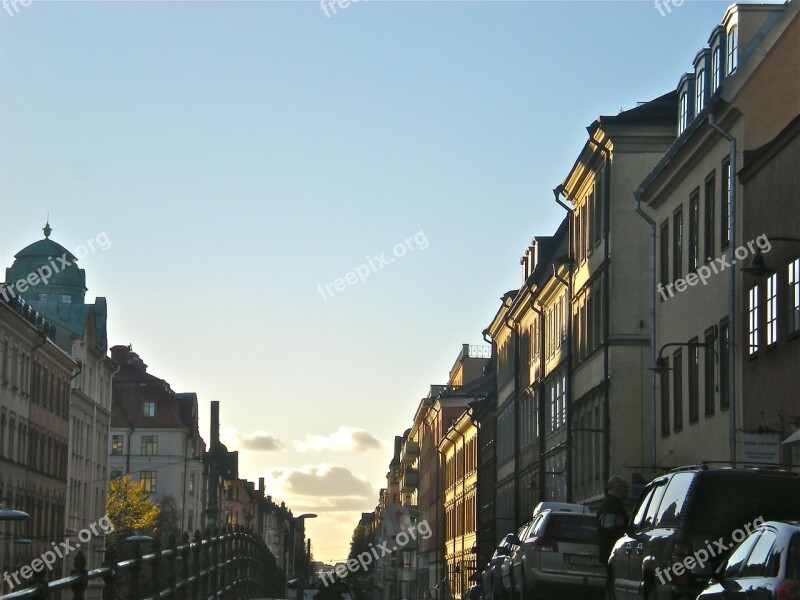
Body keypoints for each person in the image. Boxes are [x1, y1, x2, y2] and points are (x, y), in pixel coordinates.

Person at [597, 475, 629, 598]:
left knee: (611, 578)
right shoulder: (612, 505)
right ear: (618, 487)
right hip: (612, 550)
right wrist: (628, 530)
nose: (627, 490)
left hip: (609, 550)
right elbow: (613, 529)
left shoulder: (610, 503)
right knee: (613, 580)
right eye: (625, 487)